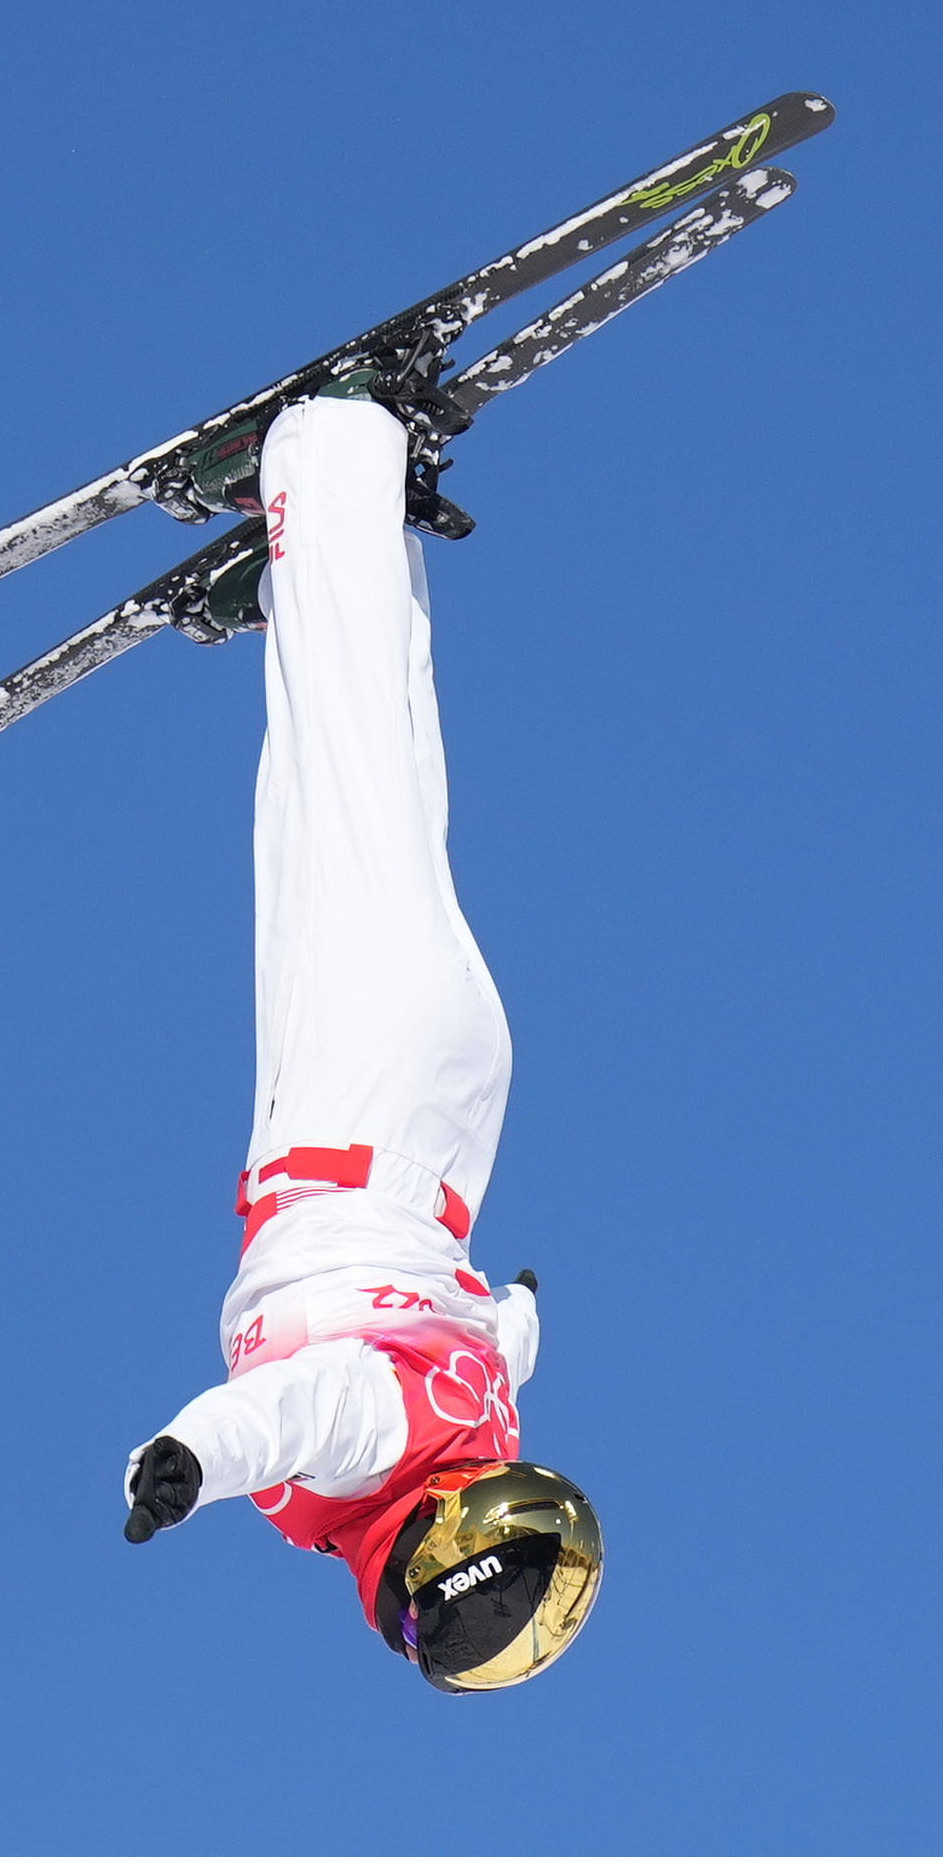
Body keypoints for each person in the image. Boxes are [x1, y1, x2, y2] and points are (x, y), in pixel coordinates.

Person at [117, 395, 602, 1692]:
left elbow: (480, 1346)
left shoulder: (460, 1428)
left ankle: (348, 541)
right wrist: (189, 1461)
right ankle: (327, 459)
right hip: (358, 1108)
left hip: (444, 1131)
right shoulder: (374, 1459)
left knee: (384, 794)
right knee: (339, 801)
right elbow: (299, 1414)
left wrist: (515, 1312)